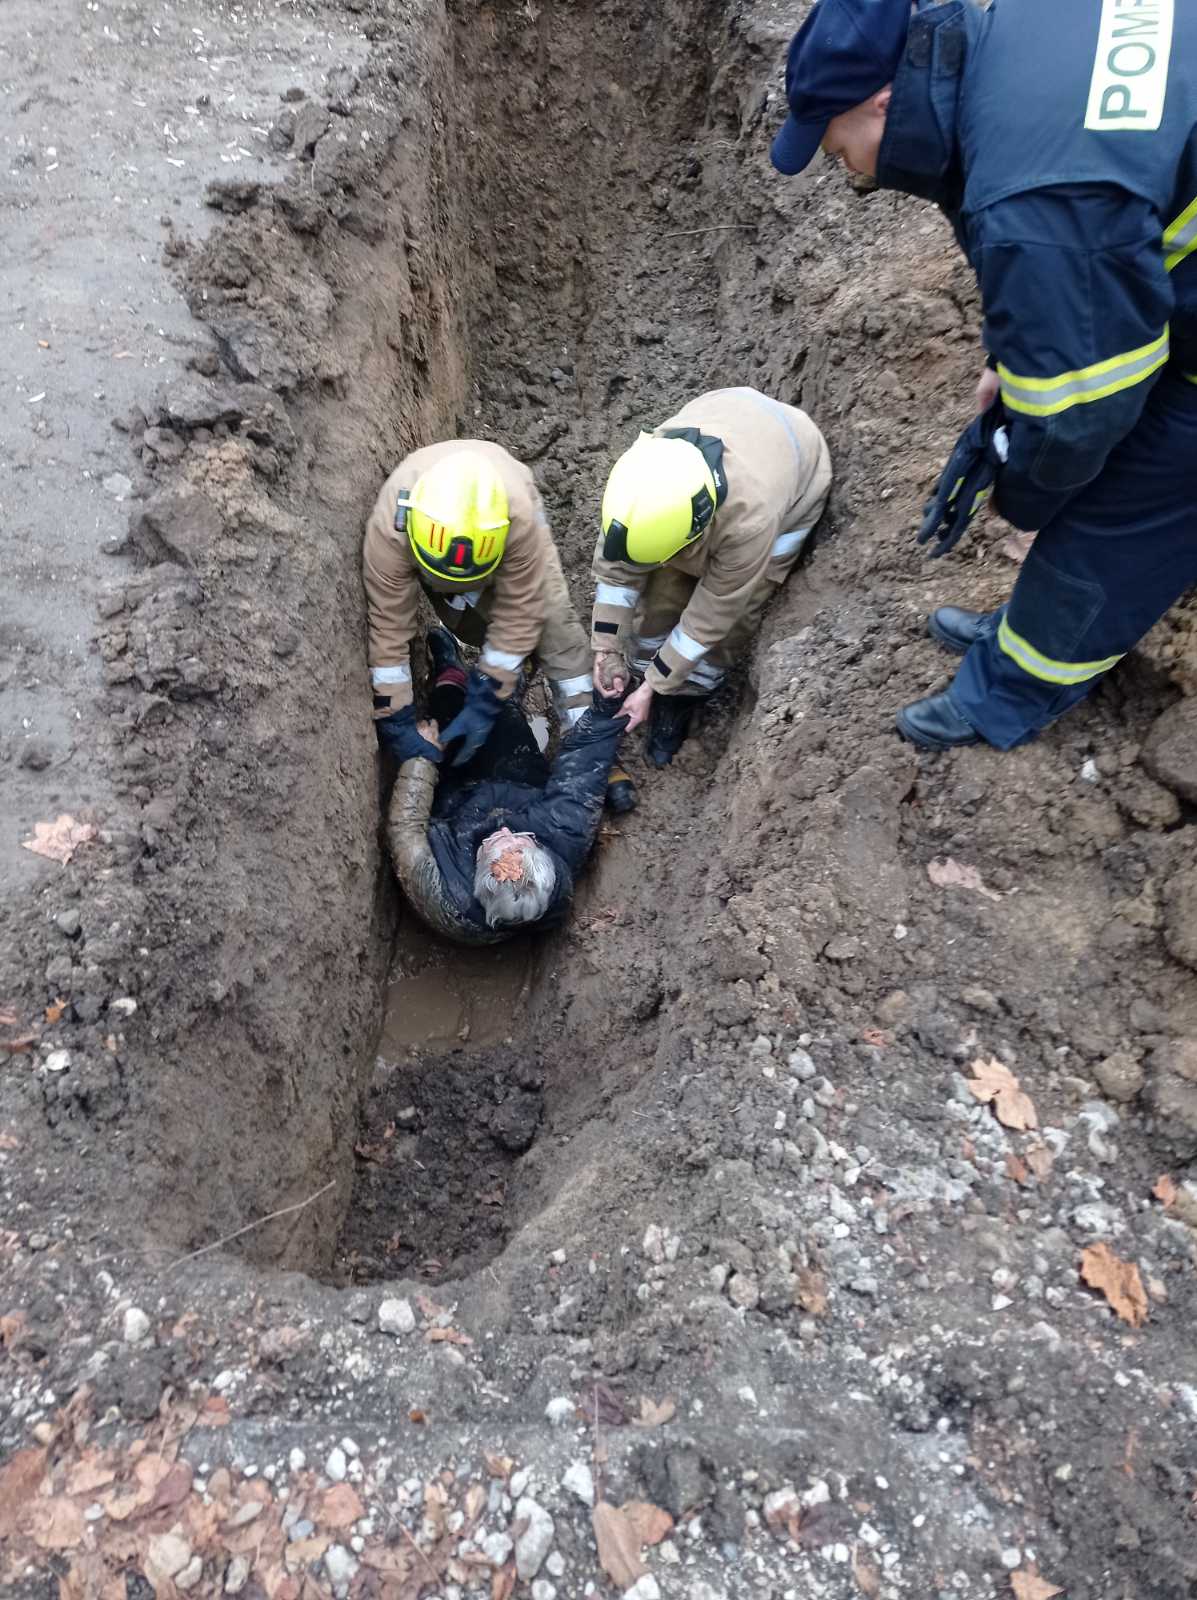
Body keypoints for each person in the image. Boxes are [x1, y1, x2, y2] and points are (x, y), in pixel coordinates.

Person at [771, 0, 1197, 751]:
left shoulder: (1033, 197)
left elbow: (1078, 416)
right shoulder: (1012, 38)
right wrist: (1016, 362)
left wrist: (1020, 489)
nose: (850, 173)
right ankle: (1028, 627)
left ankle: (1010, 689)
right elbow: (1086, 265)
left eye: (841, 151)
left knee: (1127, 501)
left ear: (882, 101)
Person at [589, 387, 832, 767]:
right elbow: (617, 569)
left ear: (694, 530)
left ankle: (683, 695)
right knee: (666, 587)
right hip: (731, 415)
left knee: (739, 614)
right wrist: (606, 648)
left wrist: (656, 687)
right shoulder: (638, 489)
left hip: (796, 473)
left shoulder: (751, 521)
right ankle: (647, 665)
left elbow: (712, 614)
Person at [385, 629, 628, 943]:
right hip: (518, 780)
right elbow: (583, 766)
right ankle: (509, 690)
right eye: (518, 840)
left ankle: (450, 673)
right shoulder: (562, 835)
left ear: (476, 872)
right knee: (502, 718)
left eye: (490, 846)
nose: (501, 831)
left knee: (445, 716)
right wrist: (607, 707)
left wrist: (422, 759)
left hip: (455, 802)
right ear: (541, 852)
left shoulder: (446, 895)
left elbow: (405, 828)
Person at [363, 441, 594, 768]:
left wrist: (488, 694)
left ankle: (587, 738)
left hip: (506, 519)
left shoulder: (518, 519)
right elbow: (389, 628)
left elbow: (523, 608)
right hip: (435, 537)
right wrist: (396, 718)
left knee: (553, 620)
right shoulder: (391, 529)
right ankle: (506, 662)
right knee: (468, 622)